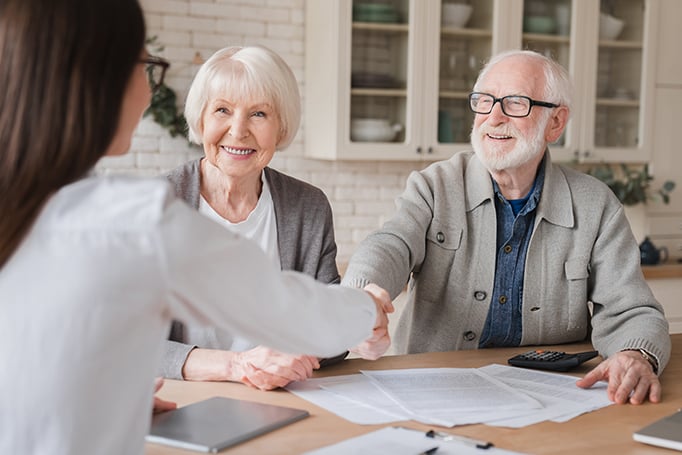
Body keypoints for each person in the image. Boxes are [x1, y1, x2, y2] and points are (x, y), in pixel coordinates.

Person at [0, 0, 393, 453]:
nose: (148, 93)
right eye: (144, 67)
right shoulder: (136, 220)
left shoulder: (44, 208)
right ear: (97, 80)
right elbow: (284, 308)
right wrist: (367, 308)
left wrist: (106, 394)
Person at [342, 49, 671, 405]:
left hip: (553, 396)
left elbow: (632, 310)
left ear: (556, 123)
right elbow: (391, 244)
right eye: (484, 102)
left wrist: (636, 354)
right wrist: (359, 296)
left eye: (515, 103)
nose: (493, 117)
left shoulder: (596, 204)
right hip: (434, 389)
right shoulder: (434, 185)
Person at [161, 45, 375, 390]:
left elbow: (329, 334)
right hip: (182, 398)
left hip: (284, 397)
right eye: (222, 110)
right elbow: (127, 343)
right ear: (201, 119)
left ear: (281, 126)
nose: (238, 130)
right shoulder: (156, 207)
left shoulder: (308, 206)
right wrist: (239, 366)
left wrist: (354, 323)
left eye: (259, 114)